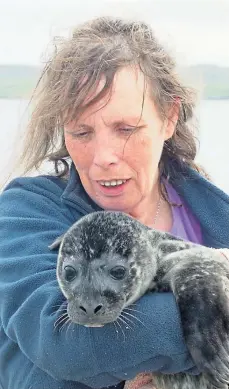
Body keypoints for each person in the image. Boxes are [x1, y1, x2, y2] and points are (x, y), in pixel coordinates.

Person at [0, 16, 229, 389]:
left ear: (169, 117)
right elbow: (66, 345)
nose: (103, 155)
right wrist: (214, 299)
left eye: (126, 129)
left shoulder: (215, 213)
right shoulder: (27, 214)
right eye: (82, 132)